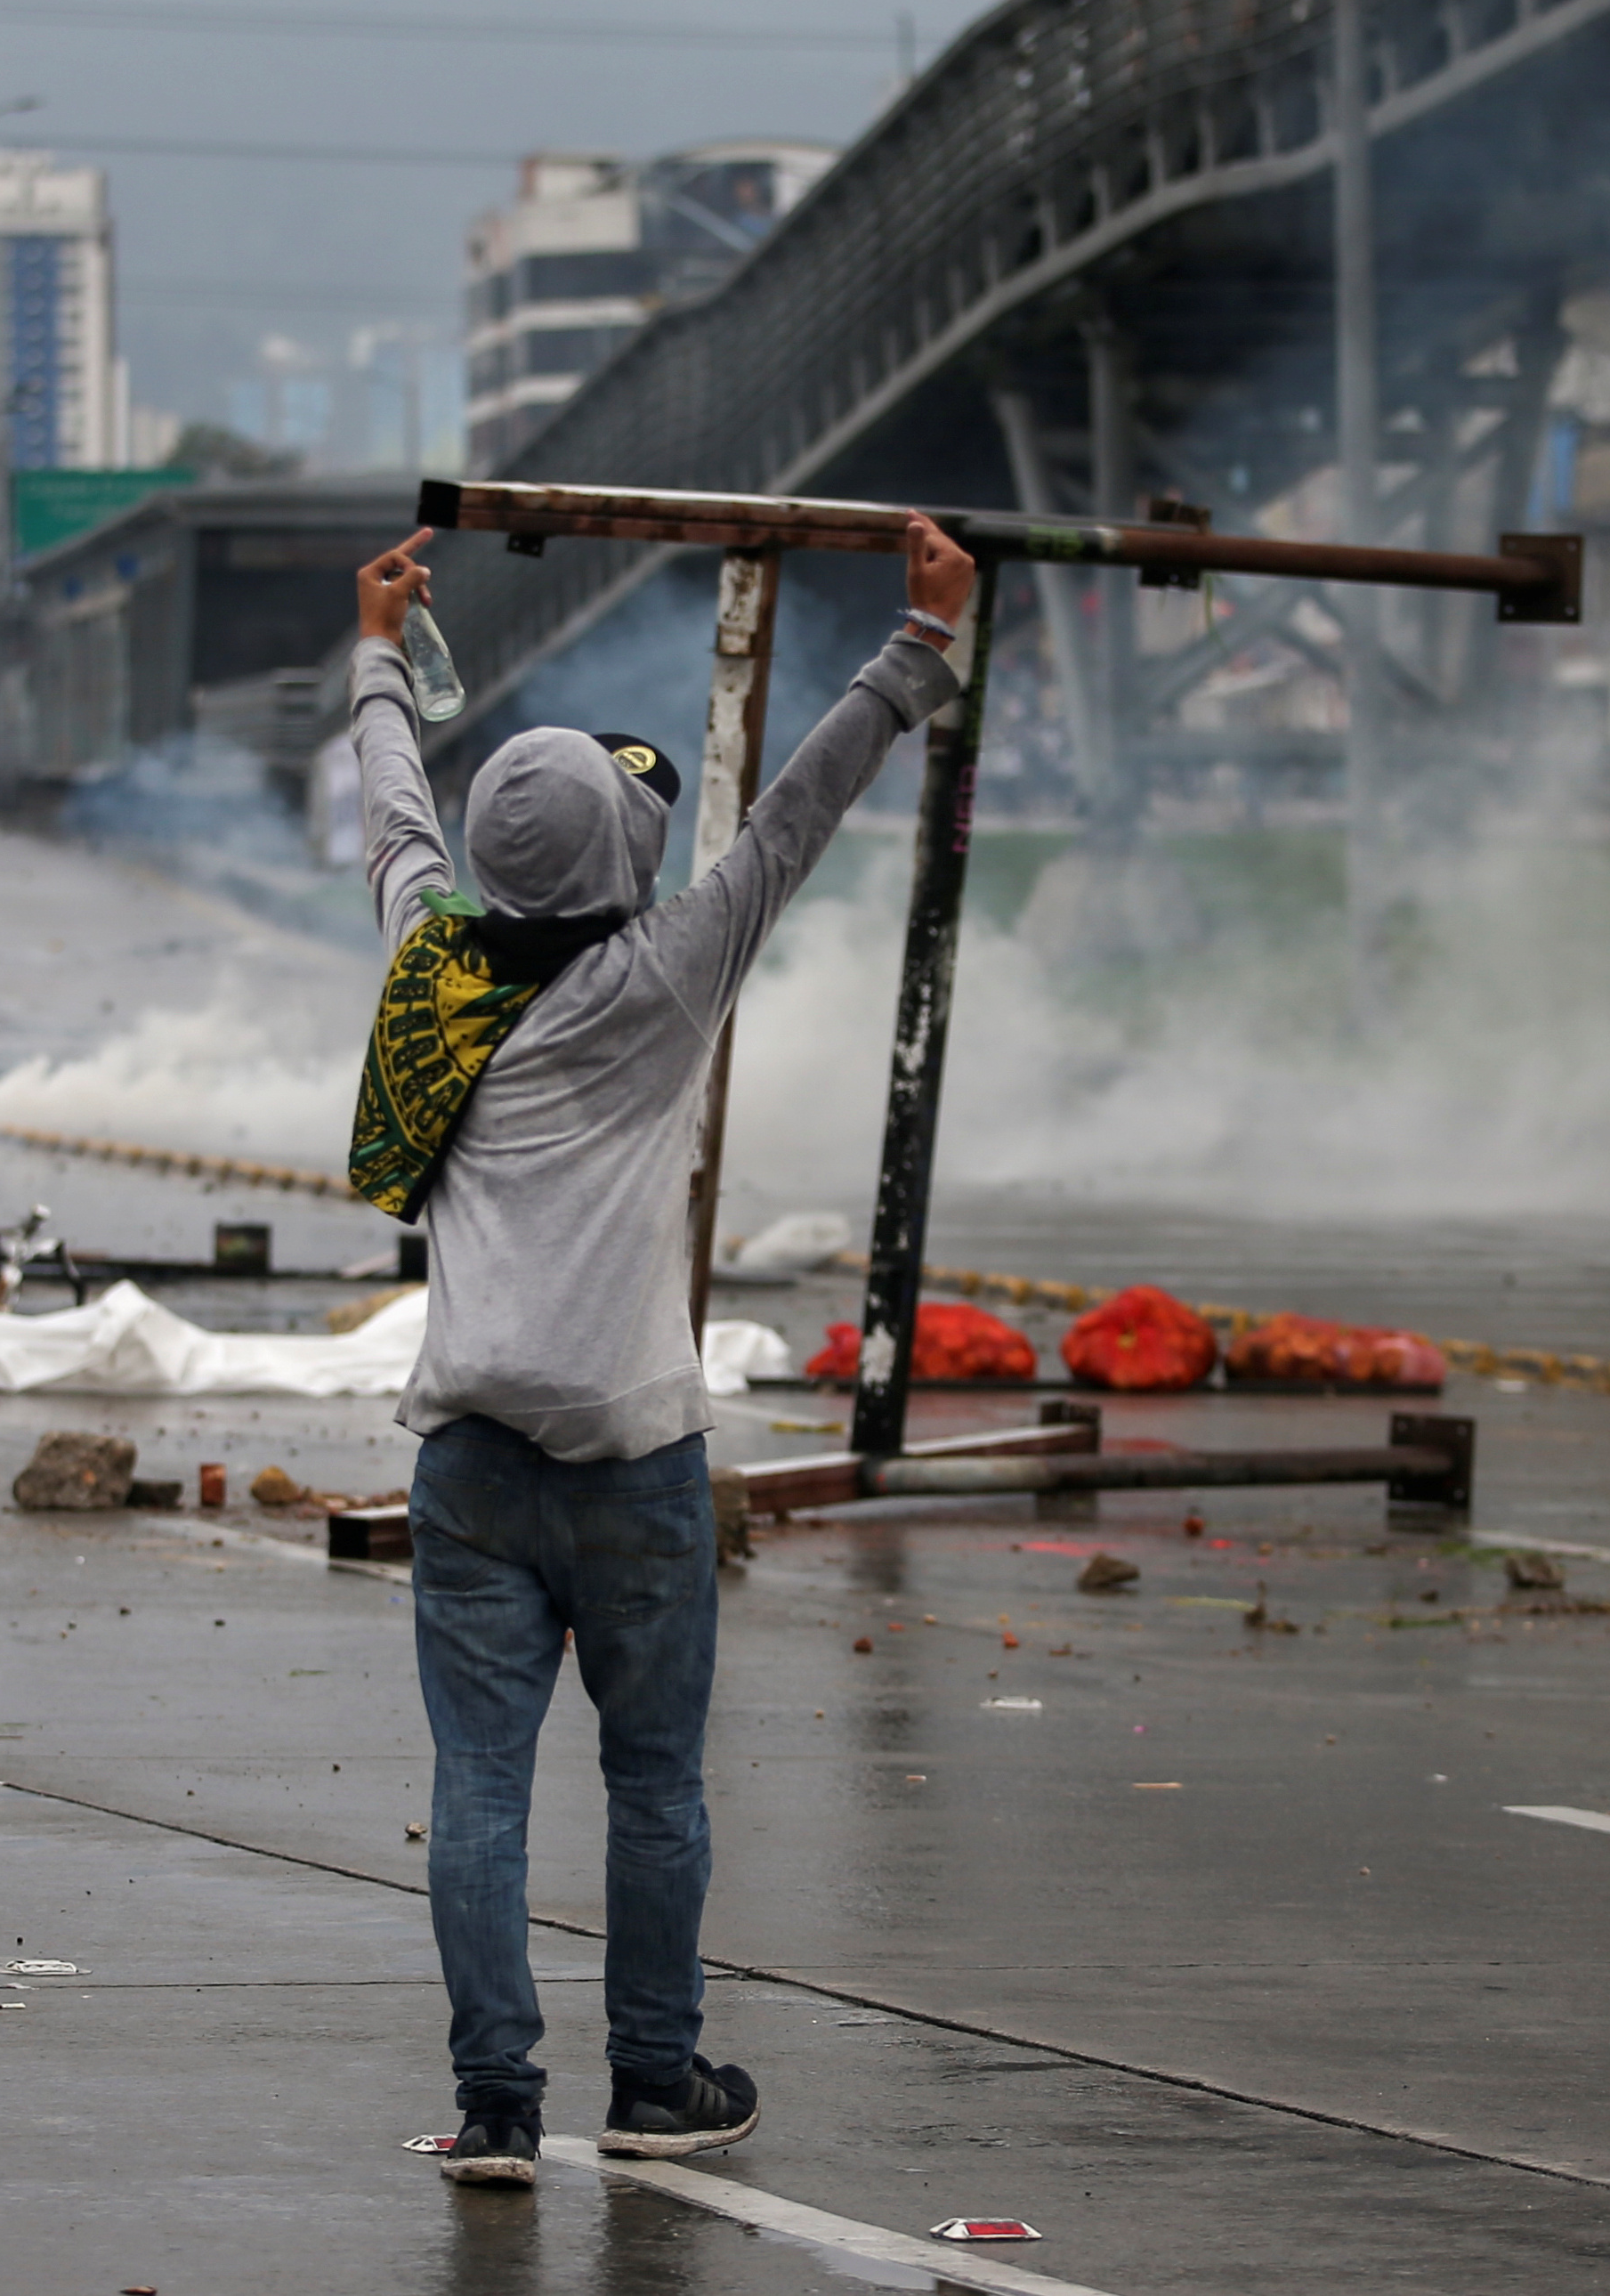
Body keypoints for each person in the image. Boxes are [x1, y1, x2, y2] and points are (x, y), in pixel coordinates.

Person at [345, 515, 973, 2191]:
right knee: (652, 1790)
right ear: (626, 867)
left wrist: (378, 658)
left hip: (466, 1466)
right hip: (631, 1463)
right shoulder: (666, 976)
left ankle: (492, 2105)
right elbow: (791, 818)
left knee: (475, 1791)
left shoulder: (429, 972)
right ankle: (650, 2077)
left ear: (492, 867)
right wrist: (916, 646)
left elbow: (394, 819)